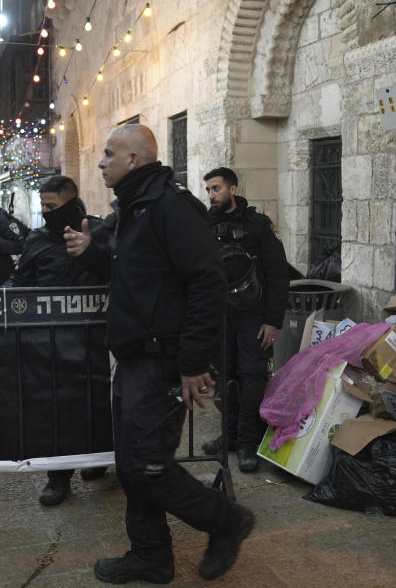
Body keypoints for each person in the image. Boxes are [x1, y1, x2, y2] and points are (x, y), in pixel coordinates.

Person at [66, 125, 254, 583]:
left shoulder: (171, 207)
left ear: (134, 160)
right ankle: (151, 556)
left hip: (162, 361)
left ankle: (227, 521)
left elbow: (207, 284)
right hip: (134, 358)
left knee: (149, 466)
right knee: (132, 466)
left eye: (109, 154)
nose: (100, 162)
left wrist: (192, 363)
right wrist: (90, 251)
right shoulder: (133, 207)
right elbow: (130, 273)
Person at [6, 174, 108, 507]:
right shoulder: (36, 239)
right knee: (56, 411)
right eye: (43, 206)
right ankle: (58, 477)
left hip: (94, 342)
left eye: (52, 206)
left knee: (97, 404)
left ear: (72, 202)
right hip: (49, 343)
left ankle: (97, 457)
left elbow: (115, 272)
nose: (46, 212)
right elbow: (20, 280)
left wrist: (90, 251)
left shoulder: (99, 231)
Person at [200, 167, 289, 472]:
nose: (211, 195)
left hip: (254, 317)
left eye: (216, 189)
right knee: (224, 378)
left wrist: (273, 321)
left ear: (233, 189)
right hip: (218, 317)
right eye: (209, 190)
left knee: (252, 379)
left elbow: (279, 275)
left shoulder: (259, 225)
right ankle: (229, 438)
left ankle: (248, 443)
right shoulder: (203, 225)